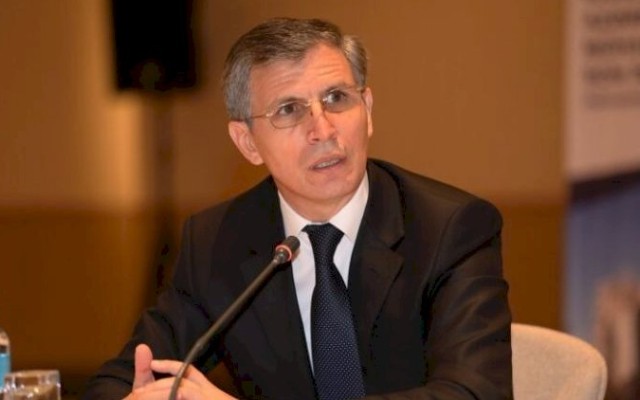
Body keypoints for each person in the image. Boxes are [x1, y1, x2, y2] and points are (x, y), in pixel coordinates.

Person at [83, 17, 512, 400]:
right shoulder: (218, 241)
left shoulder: (450, 229)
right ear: (247, 143)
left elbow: (475, 393)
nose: (322, 130)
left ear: (367, 111)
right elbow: (121, 380)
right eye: (289, 110)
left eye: (337, 98)